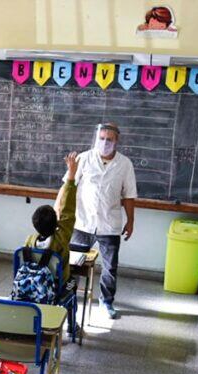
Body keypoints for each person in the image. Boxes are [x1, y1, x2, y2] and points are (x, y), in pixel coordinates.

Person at [68, 123, 138, 319]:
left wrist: (130, 221)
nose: (105, 143)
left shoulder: (125, 164)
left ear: (117, 141)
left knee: (110, 267)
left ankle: (106, 301)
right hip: (82, 222)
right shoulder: (84, 158)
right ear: (96, 138)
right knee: (74, 265)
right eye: (101, 138)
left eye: (109, 139)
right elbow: (68, 185)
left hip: (110, 224)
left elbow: (129, 196)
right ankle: (69, 296)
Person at [26, 152, 78, 294]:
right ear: (57, 223)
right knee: (74, 281)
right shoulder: (61, 239)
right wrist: (71, 177)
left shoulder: (29, 241)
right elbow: (68, 211)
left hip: (32, 285)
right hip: (56, 288)